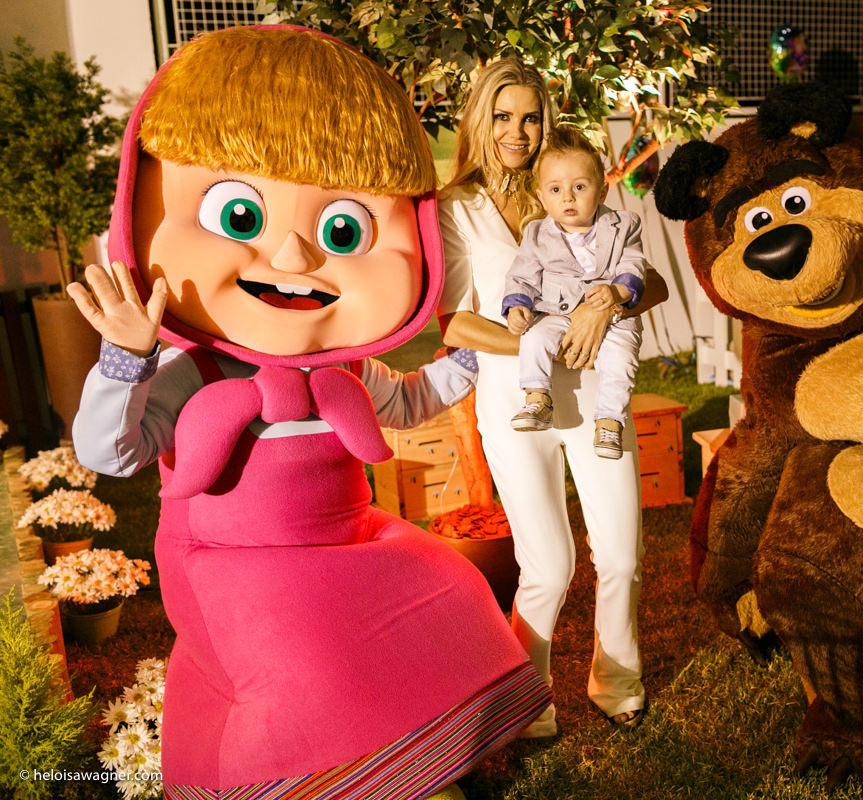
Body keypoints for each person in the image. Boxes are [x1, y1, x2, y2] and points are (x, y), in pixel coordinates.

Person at [69, 27, 550, 800]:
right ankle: (296, 778)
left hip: (348, 542)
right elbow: (108, 451)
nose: (293, 258)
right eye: (239, 216)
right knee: (300, 655)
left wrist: (473, 356)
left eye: (342, 230)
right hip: (237, 565)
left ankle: (404, 756)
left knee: (449, 588)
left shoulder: (345, 367)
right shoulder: (194, 375)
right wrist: (125, 360)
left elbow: (408, 401)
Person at [438, 57, 669, 734]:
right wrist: (547, 341)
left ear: (548, 122)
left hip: (597, 396)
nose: (518, 131)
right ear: (479, 121)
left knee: (621, 554)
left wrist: (605, 305)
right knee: (548, 565)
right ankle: (526, 698)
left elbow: (650, 282)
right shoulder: (456, 208)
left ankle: (617, 683)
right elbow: (453, 323)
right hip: (516, 402)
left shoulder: (568, 187)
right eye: (503, 116)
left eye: (531, 117)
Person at [502, 127, 645, 459]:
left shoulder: (624, 225)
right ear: (542, 197)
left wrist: (618, 291)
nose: (568, 197)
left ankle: (609, 421)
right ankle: (537, 398)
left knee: (621, 360)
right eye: (556, 189)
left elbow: (634, 263)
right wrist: (517, 305)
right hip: (556, 310)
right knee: (534, 337)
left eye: (579, 187)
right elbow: (522, 274)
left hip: (614, 317)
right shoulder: (536, 234)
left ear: (602, 190)